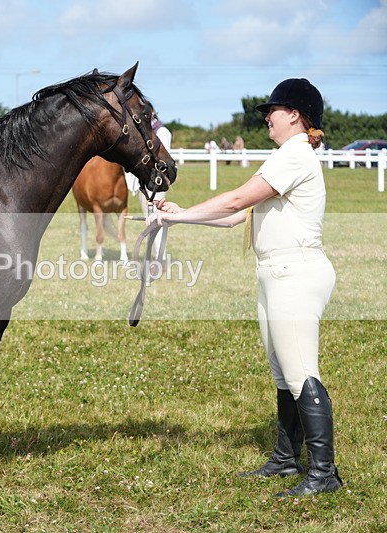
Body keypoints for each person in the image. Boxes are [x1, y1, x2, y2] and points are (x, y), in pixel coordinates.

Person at [147, 78, 342, 498]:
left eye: (272, 110)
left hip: (295, 271)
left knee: (300, 371)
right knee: (282, 371)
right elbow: (238, 217)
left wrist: (175, 220)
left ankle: (324, 474)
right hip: (275, 271)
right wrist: (184, 213)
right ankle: (287, 458)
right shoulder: (285, 157)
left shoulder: (294, 155)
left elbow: (236, 201)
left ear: (294, 115)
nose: (267, 118)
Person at [126, 111, 171, 258]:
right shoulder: (159, 131)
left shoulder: (160, 132)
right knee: (154, 219)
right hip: (151, 180)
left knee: (154, 220)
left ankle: (159, 256)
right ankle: (158, 255)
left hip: (154, 182)